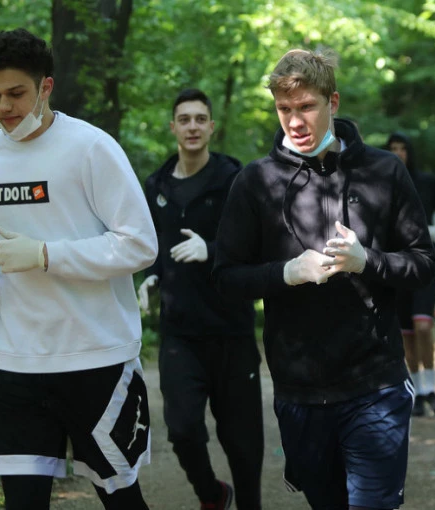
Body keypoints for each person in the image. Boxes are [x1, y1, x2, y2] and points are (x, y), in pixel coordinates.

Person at [213, 48, 435, 510]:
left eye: (306, 106)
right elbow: (226, 279)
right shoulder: (255, 181)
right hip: (300, 389)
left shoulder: (384, 171)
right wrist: (286, 272)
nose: (295, 121)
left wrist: (367, 261)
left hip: (376, 382)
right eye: (284, 109)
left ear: (332, 102)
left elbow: (424, 265)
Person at [0, 28, 157, 510]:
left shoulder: (91, 147)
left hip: (96, 357)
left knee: (121, 500)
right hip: (17, 361)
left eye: (16, 93)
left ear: (45, 87)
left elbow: (140, 245)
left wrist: (47, 255)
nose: (4, 107)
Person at [138, 88, 263, 510]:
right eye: (184, 119)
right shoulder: (155, 185)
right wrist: (151, 278)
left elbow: (256, 245)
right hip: (180, 334)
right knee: (183, 428)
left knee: (243, 442)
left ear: (211, 126)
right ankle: (213, 495)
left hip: (231, 331)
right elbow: (151, 247)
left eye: (199, 119)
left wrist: (211, 249)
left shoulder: (235, 179)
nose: (192, 126)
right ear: (172, 127)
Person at [386, 132, 435, 417]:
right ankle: (417, 392)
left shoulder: (427, 181)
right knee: (407, 334)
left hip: (426, 263)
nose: (399, 153)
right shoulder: (381, 181)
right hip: (396, 265)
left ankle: (431, 388)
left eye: (403, 148)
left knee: (423, 326)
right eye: (393, 148)